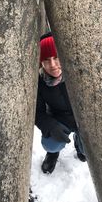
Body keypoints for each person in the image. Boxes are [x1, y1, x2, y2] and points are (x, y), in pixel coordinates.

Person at [35, 32, 86, 174]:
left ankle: (79, 142)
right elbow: (38, 113)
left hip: (83, 120)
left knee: (87, 151)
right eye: (46, 60)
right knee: (51, 143)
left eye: (56, 57)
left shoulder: (79, 73)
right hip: (60, 119)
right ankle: (53, 154)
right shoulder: (40, 83)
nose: (52, 65)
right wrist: (50, 126)